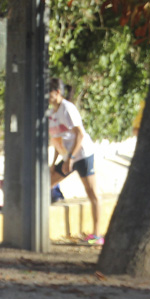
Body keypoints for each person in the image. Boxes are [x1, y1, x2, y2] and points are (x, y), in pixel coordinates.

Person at [47, 78, 103, 245]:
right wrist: (54, 162)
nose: (46, 97)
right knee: (46, 185)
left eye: (48, 93)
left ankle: (97, 235)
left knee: (92, 192)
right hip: (68, 158)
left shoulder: (68, 109)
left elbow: (80, 134)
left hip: (82, 155)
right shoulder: (52, 113)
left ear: (57, 92)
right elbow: (58, 139)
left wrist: (71, 157)